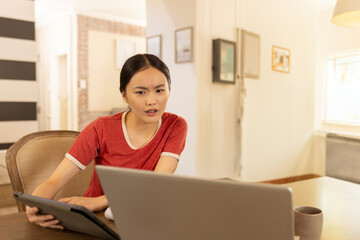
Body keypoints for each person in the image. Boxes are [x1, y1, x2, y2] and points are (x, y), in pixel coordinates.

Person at [26, 54, 188, 229]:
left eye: (160, 90)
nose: (152, 101)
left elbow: (155, 184)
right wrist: (34, 207)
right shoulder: (100, 129)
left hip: (140, 217)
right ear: (124, 96)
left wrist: (101, 200)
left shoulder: (176, 126)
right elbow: (54, 181)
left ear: (169, 90)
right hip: (95, 220)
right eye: (140, 92)